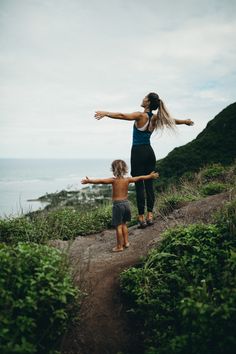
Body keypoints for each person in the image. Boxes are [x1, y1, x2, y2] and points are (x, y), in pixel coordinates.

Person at [95, 92, 194, 228]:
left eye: (145, 97)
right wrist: (186, 122)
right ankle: (150, 215)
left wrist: (106, 113)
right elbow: (173, 120)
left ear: (147, 102)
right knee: (149, 185)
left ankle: (141, 217)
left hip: (137, 153)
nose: (142, 99)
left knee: (139, 184)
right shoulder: (156, 118)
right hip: (149, 152)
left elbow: (122, 115)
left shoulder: (139, 115)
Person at [81, 159, 158, 252]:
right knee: (124, 224)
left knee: (118, 226)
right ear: (125, 169)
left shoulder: (113, 180)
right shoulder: (128, 179)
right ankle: (126, 242)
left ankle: (119, 246)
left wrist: (89, 181)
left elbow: (100, 181)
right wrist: (150, 176)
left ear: (113, 170)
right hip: (126, 204)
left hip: (118, 205)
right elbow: (140, 178)